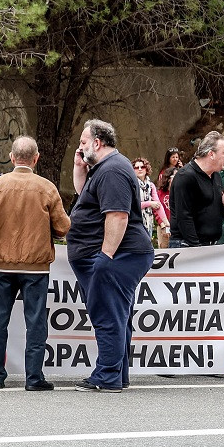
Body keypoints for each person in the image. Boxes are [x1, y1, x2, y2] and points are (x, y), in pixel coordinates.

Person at [66, 119, 155, 393]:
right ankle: (117, 374)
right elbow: (86, 198)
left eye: (83, 143)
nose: (79, 149)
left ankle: (106, 376)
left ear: (97, 143)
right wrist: (78, 167)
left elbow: (117, 215)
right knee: (116, 314)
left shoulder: (113, 170)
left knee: (108, 316)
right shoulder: (104, 168)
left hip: (118, 254)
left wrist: (105, 257)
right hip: (115, 253)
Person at [0, 136, 70, 390]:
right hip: (35, 266)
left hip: (1, 264)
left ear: (12, 157)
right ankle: (34, 378)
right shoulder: (47, 188)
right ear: (36, 158)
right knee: (36, 322)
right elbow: (62, 228)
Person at [167, 132, 224, 248]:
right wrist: (197, 249)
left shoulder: (216, 176)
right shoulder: (186, 177)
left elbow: (211, 212)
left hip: (210, 245)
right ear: (211, 154)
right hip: (188, 245)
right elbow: (184, 217)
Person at [132, 157, 169, 242]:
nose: (140, 169)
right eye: (137, 167)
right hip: (135, 222)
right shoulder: (132, 185)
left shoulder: (151, 185)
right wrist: (149, 203)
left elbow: (157, 204)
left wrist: (166, 222)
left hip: (148, 222)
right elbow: (132, 205)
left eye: (142, 167)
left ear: (147, 169)